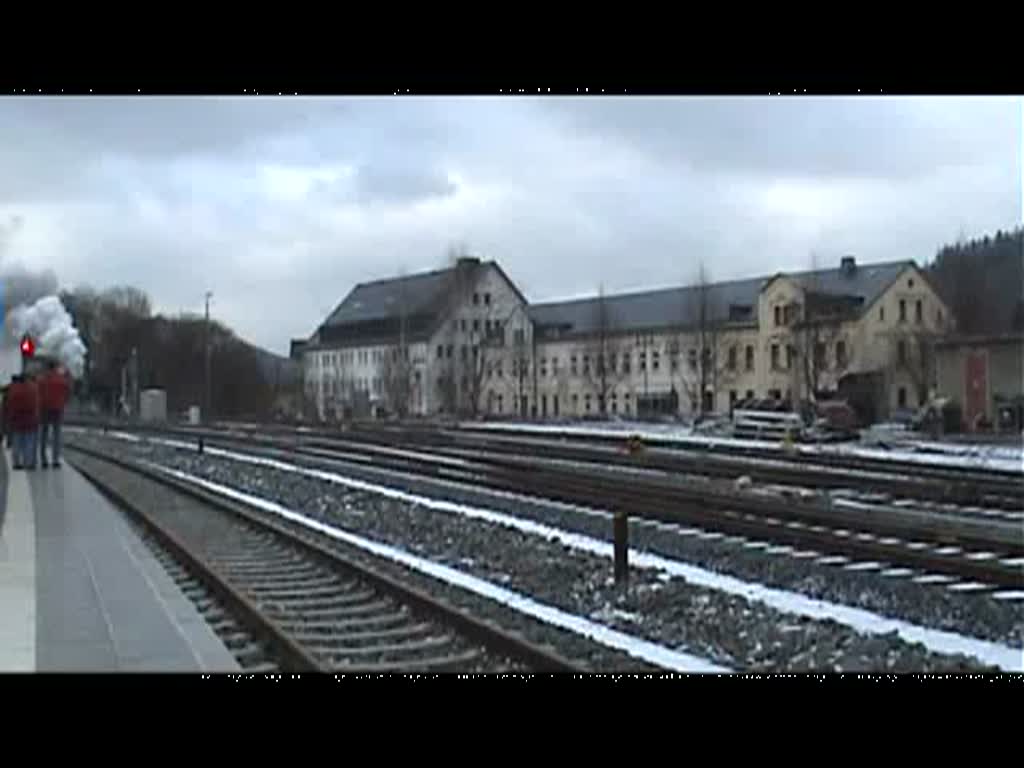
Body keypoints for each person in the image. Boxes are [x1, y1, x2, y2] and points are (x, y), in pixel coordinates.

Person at [39, 362, 71, 469]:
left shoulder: (42, 379)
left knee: (44, 433)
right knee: (57, 434)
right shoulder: (62, 380)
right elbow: (67, 393)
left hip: (44, 408)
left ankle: (44, 460)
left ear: (47, 368)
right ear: (56, 368)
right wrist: (63, 403)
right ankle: (55, 460)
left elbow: (38, 393)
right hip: (58, 409)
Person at [6, 374, 39, 470]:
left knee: (16, 442)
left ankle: (16, 463)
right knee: (29, 442)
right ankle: (28, 463)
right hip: (30, 419)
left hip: (17, 420)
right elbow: (36, 404)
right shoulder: (33, 389)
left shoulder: (13, 390)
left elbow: (10, 404)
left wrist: (10, 418)